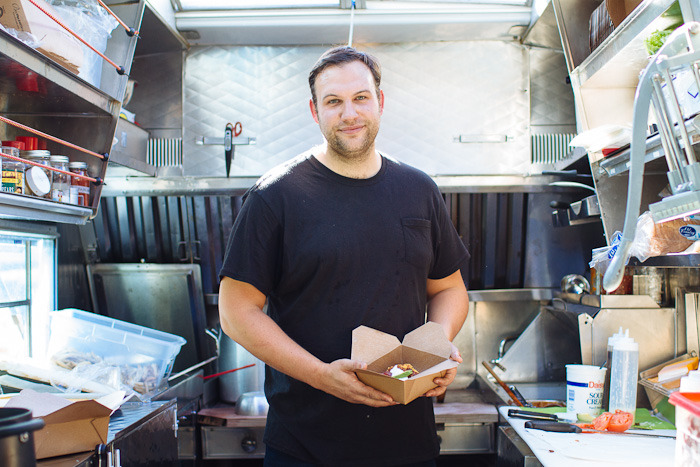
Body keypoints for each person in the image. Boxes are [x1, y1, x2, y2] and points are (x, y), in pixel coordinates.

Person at [218, 45, 470, 467]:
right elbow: (236, 311)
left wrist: (437, 345)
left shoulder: (418, 190)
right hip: (306, 447)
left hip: (408, 443)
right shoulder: (275, 196)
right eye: (333, 101)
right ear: (315, 112)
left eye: (361, 98)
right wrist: (322, 376)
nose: (349, 113)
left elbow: (448, 288)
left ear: (380, 102)